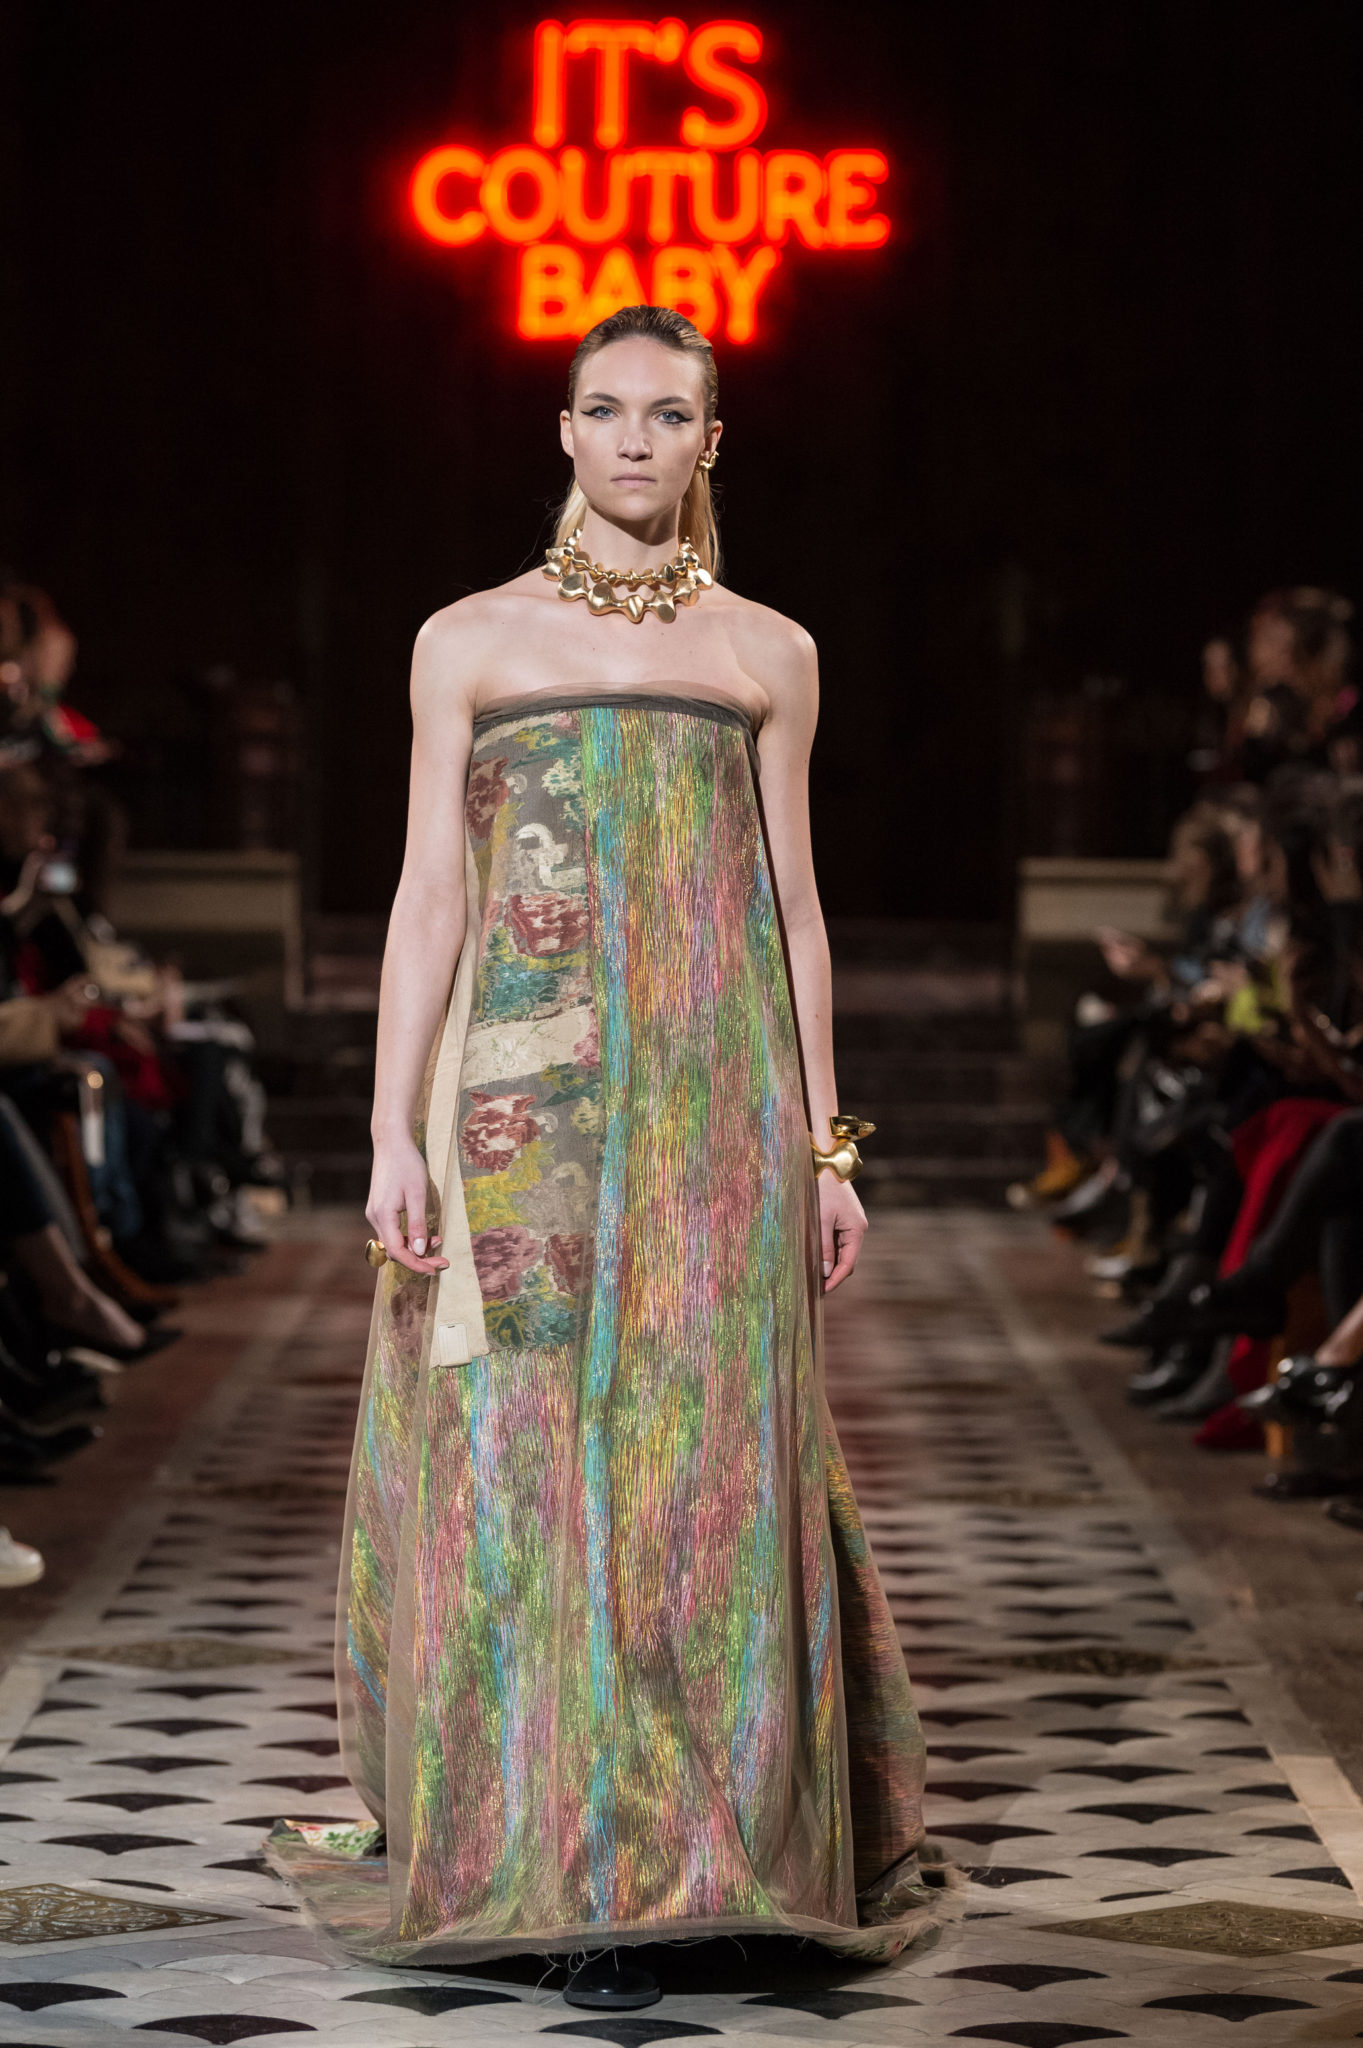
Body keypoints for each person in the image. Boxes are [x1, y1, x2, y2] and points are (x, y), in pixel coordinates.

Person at [267, 306, 939, 2008]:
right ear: (562, 432)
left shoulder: (767, 650)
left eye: (670, 413)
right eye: (606, 409)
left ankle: (725, 1857)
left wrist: (826, 1146)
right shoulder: (467, 640)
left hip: (717, 1114)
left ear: (712, 439)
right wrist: (390, 1125)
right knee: (528, 1464)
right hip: (524, 1113)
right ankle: (560, 1855)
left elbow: (796, 909)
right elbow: (430, 894)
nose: (636, 438)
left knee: (705, 1467)